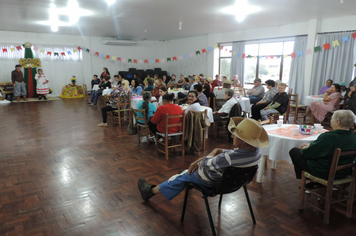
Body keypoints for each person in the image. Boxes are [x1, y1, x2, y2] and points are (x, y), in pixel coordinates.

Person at [138, 117, 269, 201]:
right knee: (185, 173)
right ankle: (184, 182)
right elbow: (235, 154)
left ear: (245, 142)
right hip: (235, 183)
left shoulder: (229, 158)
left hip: (212, 182)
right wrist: (220, 151)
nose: (232, 136)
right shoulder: (256, 153)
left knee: (182, 175)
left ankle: (149, 192)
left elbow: (206, 164)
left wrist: (211, 153)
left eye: (235, 135)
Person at [289, 110, 356, 182]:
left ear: (338, 122)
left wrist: (307, 148)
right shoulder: (354, 138)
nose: (330, 121)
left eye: (332, 118)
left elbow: (308, 153)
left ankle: (308, 179)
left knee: (294, 152)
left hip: (325, 172)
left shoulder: (329, 136)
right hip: (344, 172)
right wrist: (311, 146)